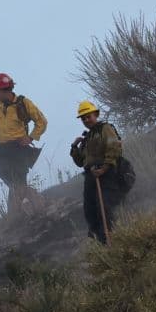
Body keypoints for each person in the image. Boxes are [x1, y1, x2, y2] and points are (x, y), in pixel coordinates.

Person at [0, 73, 48, 213]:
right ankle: (28, 202)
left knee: (19, 178)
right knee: (5, 174)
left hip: (19, 147)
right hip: (2, 149)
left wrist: (31, 138)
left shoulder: (23, 103)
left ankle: (20, 211)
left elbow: (42, 122)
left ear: (7, 90)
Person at [69, 101, 128, 244]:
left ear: (95, 114)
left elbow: (114, 147)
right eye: (83, 118)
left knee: (105, 209)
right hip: (91, 176)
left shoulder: (105, 128)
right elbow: (80, 162)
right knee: (90, 210)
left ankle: (112, 241)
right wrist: (74, 146)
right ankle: (100, 242)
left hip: (107, 175)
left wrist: (104, 168)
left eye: (88, 116)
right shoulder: (87, 137)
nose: (86, 120)